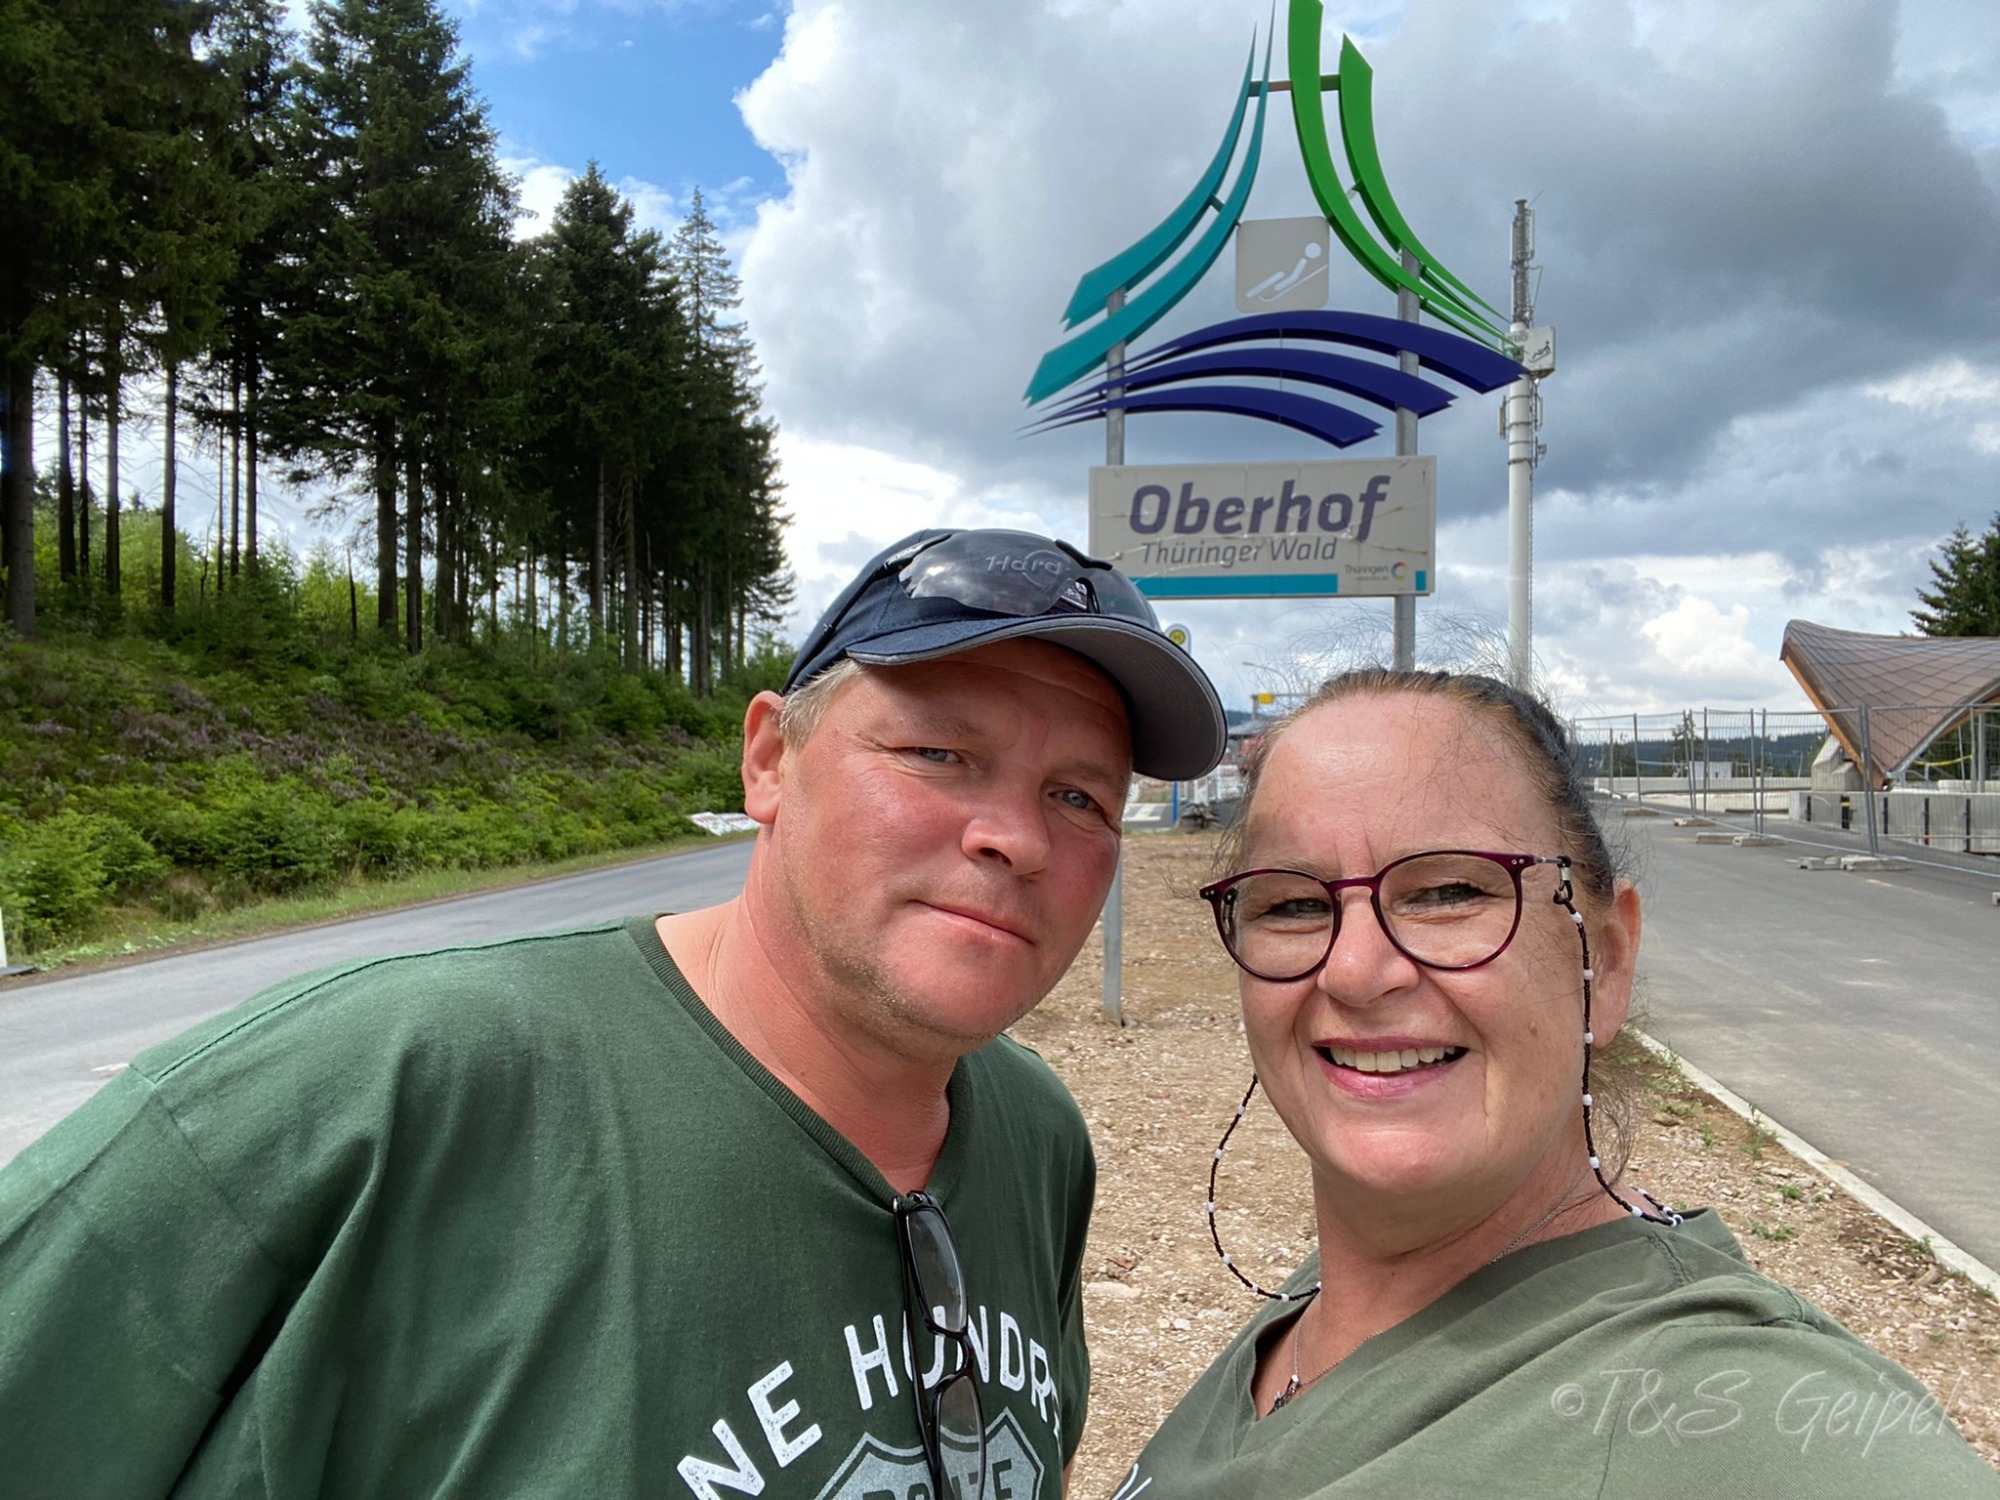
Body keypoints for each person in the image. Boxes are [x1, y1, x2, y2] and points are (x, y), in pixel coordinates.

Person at [0, 528, 1226, 1500]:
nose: (1014, 837)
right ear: (768, 761)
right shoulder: (372, 1093)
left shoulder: (1035, 1141)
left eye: (1078, 796)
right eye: (937, 755)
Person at [1115, 668, 1998, 1499]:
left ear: (1604, 963)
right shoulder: (1337, 1301)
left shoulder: (1745, 1411)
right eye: (1292, 904)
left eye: (1450, 892)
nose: (1354, 971)